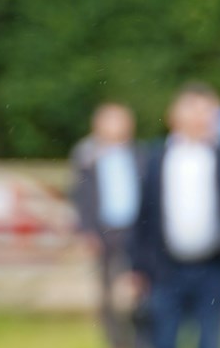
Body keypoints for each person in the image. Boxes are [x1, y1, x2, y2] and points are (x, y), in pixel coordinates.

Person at [127, 82, 220, 348]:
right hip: (164, 267)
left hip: (213, 267)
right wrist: (137, 266)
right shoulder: (155, 158)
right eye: (193, 110)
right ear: (174, 116)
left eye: (207, 111)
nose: (200, 118)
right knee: (162, 338)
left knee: (211, 339)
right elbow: (143, 215)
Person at [70, 102, 145, 348]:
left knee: (139, 290)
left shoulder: (140, 155)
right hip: (104, 232)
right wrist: (86, 231)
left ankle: (141, 339)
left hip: (135, 231)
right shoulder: (87, 157)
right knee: (108, 295)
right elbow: (80, 197)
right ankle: (117, 342)